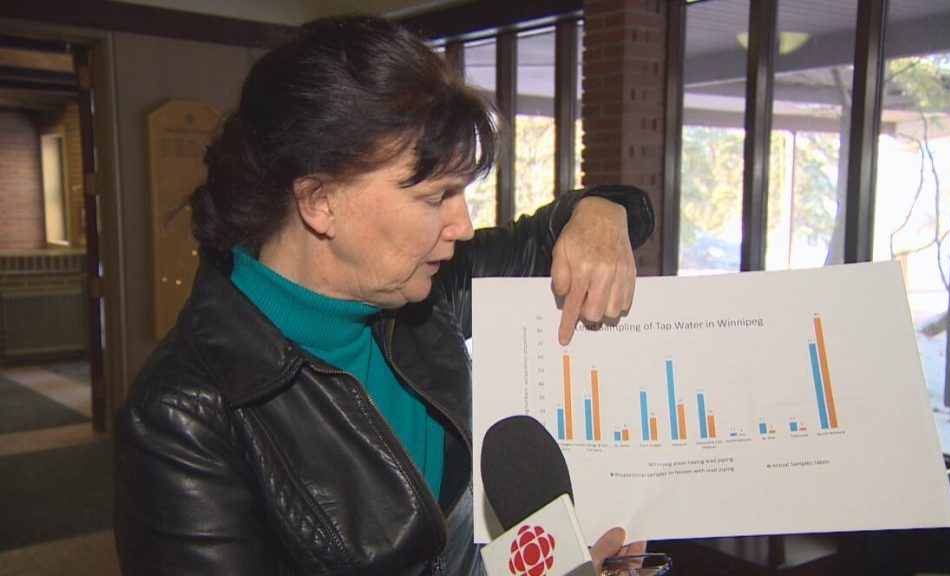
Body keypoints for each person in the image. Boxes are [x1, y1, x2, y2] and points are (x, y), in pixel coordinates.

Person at [114, 14, 655, 575]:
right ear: (319, 201)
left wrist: (600, 212)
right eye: (435, 197)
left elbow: (550, 236)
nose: (463, 226)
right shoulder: (182, 416)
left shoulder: (424, 285)